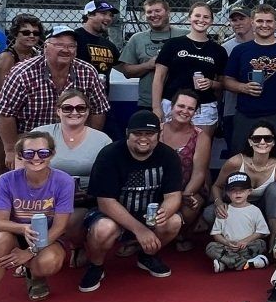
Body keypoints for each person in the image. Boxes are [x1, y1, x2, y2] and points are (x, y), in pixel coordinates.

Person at [0, 129, 74, 302]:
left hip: (47, 237)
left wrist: (30, 252)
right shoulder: (6, 180)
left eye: (43, 153)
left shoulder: (63, 181)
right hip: (15, 235)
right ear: (20, 156)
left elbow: (60, 227)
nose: (36, 158)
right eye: (29, 153)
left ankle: (34, 275)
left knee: (49, 262)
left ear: (51, 154)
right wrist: (23, 228)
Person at [80, 109, 184, 291]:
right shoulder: (109, 155)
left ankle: (147, 256)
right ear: (128, 133)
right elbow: (105, 202)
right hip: (112, 214)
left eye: (150, 134)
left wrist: (164, 211)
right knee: (104, 228)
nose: (143, 138)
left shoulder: (168, 155)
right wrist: (141, 230)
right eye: (138, 133)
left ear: (158, 135)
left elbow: (174, 196)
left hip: (147, 213)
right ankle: (96, 265)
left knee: (173, 221)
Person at [0, 26, 107, 168]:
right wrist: (10, 150)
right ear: (45, 47)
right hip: (31, 144)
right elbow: (5, 114)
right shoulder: (22, 73)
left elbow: (98, 110)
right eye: (59, 45)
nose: (66, 50)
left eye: (71, 46)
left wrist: (89, 140)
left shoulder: (88, 71)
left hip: (74, 142)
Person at [226, 4, 276, 165]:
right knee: (240, 162)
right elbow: (226, 80)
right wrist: (243, 87)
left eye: (269, 21)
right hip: (246, 115)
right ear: (252, 23)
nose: (264, 25)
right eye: (260, 21)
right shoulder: (240, 51)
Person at [149, 2, 227, 130]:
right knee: (169, 147)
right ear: (189, 18)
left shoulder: (218, 50)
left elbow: (223, 84)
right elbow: (159, 77)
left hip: (204, 107)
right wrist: (156, 108)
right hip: (172, 105)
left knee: (201, 147)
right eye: (197, 15)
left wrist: (211, 83)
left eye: (206, 17)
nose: (201, 20)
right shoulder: (173, 44)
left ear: (212, 21)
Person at [33, 88, 112, 204]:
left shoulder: (103, 140)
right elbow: (22, 171)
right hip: (44, 200)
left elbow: (110, 179)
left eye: (80, 108)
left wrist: (91, 194)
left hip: (88, 202)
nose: (74, 112)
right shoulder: (39, 135)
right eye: (67, 108)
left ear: (88, 111)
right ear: (58, 111)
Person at [157, 89, 212, 246]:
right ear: (172, 106)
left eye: (190, 108)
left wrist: (185, 194)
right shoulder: (157, 130)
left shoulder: (201, 136)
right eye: (181, 106)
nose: (185, 111)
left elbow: (199, 173)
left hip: (187, 189)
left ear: (196, 112)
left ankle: (181, 233)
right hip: (157, 188)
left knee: (191, 204)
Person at [214, 121, 276, 230]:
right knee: (208, 214)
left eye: (268, 138)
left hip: (264, 210)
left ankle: (272, 241)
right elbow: (216, 186)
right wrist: (219, 204)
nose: (262, 142)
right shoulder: (235, 162)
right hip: (234, 207)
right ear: (250, 142)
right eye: (257, 138)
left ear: (273, 142)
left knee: (275, 189)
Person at [119, 0, 180, 108]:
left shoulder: (184, 36)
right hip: (148, 103)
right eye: (149, 12)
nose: (153, 15)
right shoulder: (137, 39)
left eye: (157, 11)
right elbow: (126, 71)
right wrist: (148, 65)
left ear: (168, 12)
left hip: (180, 103)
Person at [205, 172, 272, 274]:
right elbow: (216, 234)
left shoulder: (255, 210)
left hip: (247, 246)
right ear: (227, 193)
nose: (238, 193)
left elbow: (261, 232)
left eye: (242, 190)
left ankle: (226, 262)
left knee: (261, 244)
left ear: (249, 191)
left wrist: (245, 241)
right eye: (233, 190)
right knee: (211, 247)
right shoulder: (224, 210)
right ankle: (244, 263)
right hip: (228, 246)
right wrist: (227, 243)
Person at [70, 0, 122, 85]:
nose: (108, 18)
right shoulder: (73, 38)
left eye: (111, 15)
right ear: (90, 15)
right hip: (75, 95)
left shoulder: (109, 45)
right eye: (104, 13)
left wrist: (148, 65)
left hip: (100, 97)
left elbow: (126, 69)